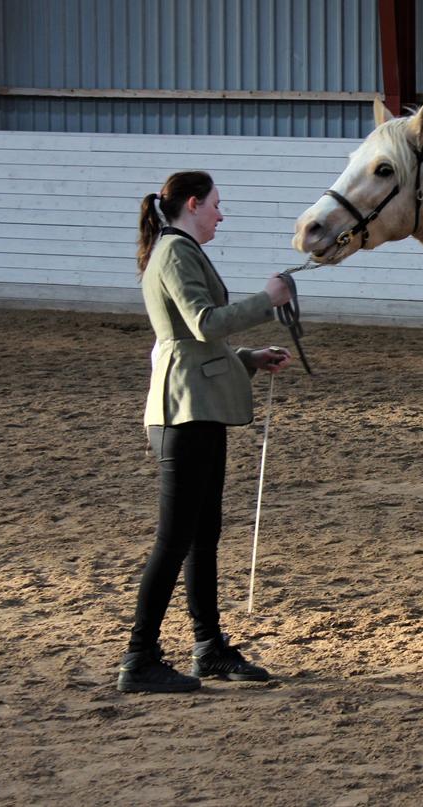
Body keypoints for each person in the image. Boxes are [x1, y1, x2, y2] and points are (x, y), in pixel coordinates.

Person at [118, 170, 295, 693]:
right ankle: (139, 657)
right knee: (175, 539)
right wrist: (268, 298)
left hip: (197, 407)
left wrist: (248, 358)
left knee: (201, 537)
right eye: (217, 204)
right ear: (192, 204)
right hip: (183, 413)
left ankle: (207, 646)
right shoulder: (175, 253)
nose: (221, 214)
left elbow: (194, 341)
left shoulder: (177, 251)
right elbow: (202, 323)